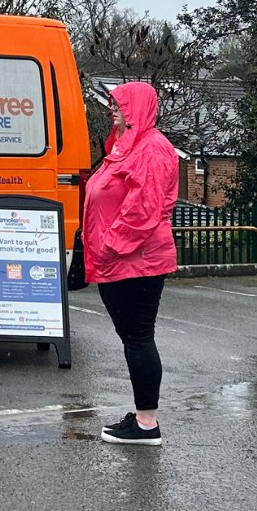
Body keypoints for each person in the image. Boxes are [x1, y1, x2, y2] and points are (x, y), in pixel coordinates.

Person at [84, 81, 178, 446]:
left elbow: (143, 209)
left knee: (138, 338)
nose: (112, 108)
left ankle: (146, 423)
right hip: (122, 262)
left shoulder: (152, 149)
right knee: (133, 338)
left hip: (137, 262)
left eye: (119, 103)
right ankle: (143, 415)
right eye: (111, 102)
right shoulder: (128, 145)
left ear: (137, 106)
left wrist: (108, 246)